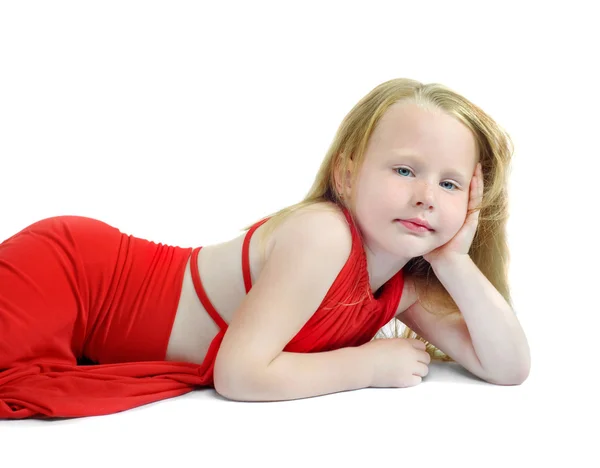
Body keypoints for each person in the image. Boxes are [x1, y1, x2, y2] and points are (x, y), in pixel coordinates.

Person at [0, 77, 530, 419]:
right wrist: (366, 367)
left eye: (450, 184)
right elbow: (239, 375)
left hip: (96, 322)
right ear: (347, 175)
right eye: (405, 170)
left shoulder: (402, 287)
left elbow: (508, 367)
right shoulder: (324, 235)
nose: (425, 198)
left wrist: (454, 260)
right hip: (75, 276)